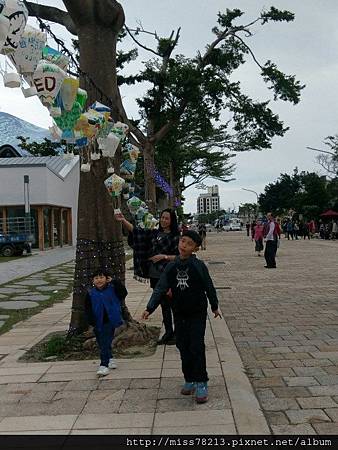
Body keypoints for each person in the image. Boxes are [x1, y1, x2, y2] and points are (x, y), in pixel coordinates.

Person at [141, 230, 221, 404]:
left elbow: (209, 286)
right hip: (179, 312)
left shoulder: (198, 266)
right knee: (182, 346)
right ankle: (189, 379)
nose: (183, 246)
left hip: (197, 313)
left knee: (196, 346)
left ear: (195, 249)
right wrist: (150, 307)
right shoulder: (172, 266)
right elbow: (161, 287)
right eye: (182, 241)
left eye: (189, 244)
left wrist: (214, 306)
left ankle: (201, 382)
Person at [115, 208, 179, 345]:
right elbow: (137, 232)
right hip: (155, 274)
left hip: (168, 274)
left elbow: (181, 257)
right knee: (163, 304)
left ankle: (175, 332)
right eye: (162, 217)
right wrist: (123, 220)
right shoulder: (154, 233)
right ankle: (169, 332)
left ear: (172, 220)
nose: (163, 220)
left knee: (172, 303)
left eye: (167, 218)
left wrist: (164, 256)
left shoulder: (176, 237)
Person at [85, 269, 127, 376]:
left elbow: (123, 293)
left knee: (105, 341)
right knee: (101, 341)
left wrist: (115, 282)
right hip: (97, 321)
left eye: (101, 277)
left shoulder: (113, 289)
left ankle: (103, 364)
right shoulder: (90, 293)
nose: (99, 280)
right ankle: (110, 358)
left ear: (107, 279)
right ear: (93, 280)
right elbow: (87, 308)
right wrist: (90, 320)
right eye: (96, 278)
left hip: (110, 320)